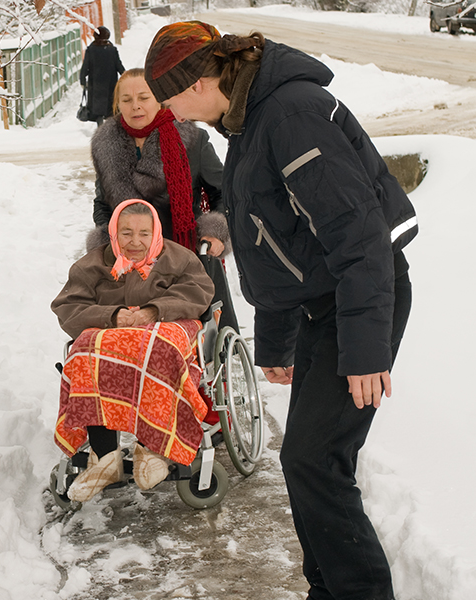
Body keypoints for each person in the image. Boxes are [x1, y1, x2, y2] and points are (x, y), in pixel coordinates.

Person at [144, 21, 418, 600]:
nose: (174, 115)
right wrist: (276, 339)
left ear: (197, 83)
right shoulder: (247, 120)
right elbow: (275, 241)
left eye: (170, 102)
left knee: (318, 462)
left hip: (362, 298)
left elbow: (358, 235)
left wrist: (365, 348)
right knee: (303, 460)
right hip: (326, 305)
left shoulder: (289, 115)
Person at [51, 199, 215, 503]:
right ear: (113, 233)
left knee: (156, 349)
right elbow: (68, 306)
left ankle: (151, 450)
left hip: (167, 326)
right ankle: (105, 459)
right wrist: (112, 316)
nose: (135, 242)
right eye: (126, 233)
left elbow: (198, 291)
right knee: (86, 351)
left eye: (144, 233)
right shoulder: (93, 264)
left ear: (155, 233)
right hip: (112, 331)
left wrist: (156, 309)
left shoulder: (179, 258)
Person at [89, 67, 239, 333]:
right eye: (127, 100)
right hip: (130, 256)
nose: (135, 106)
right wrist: (109, 239)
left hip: (186, 254)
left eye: (143, 97)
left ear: (158, 98)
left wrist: (215, 233)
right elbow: (103, 204)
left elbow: (224, 193)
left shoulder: (192, 138)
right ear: (118, 104)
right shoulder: (106, 145)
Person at [79, 26, 125, 127]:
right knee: (110, 105)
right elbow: (119, 65)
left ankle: (99, 123)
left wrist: (83, 80)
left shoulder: (91, 50)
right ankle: (110, 125)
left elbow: (85, 67)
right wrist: (126, 76)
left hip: (96, 84)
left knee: (97, 106)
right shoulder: (112, 50)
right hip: (110, 83)